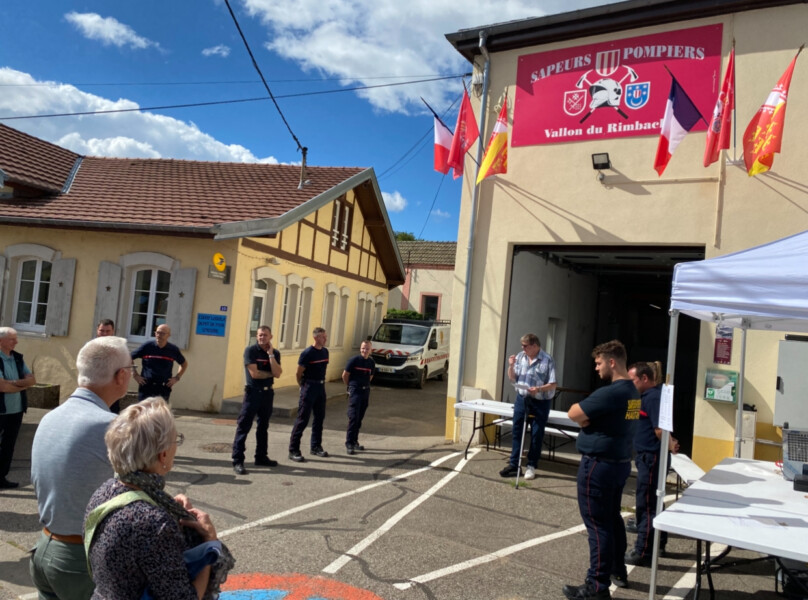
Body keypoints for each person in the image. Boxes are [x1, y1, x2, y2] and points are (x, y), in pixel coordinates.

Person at [84, 397, 233, 599]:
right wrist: (209, 543)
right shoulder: (154, 522)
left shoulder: (103, 492)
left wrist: (168, 507)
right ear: (163, 455)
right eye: (176, 439)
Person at [29, 336, 131, 599]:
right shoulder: (111, 426)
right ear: (121, 375)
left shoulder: (50, 417)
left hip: (46, 547)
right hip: (81, 558)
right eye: (131, 369)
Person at [563, 340, 640, 600]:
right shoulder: (633, 392)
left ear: (612, 362)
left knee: (597, 526)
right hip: (618, 464)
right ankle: (618, 570)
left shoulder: (611, 392)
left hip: (598, 465)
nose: (596, 368)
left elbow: (573, 412)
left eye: (598, 363)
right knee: (612, 520)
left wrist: (587, 421)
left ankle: (596, 585)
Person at [625, 361, 679, 567]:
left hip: (651, 457)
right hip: (646, 456)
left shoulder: (654, 397)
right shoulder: (645, 396)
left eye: (633, 380)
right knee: (654, 502)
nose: (630, 384)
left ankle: (644, 551)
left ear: (645, 378)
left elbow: (660, 429)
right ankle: (659, 542)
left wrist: (670, 444)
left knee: (646, 505)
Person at [500, 333, 557, 481]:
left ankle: (531, 465)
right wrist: (511, 365)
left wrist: (538, 389)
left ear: (534, 346)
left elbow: (553, 384)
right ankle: (514, 464)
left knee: (537, 434)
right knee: (517, 431)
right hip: (522, 399)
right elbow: (512, 378)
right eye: (522, 346)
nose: (522, 348)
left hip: (540, 401)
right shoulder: (520, 357)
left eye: (525, 346)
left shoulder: (547, 359)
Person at [232, 325, 282, 475]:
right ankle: (238, 460)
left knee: (263, 426)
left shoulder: (275, 353)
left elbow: (278, 373)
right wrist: (270, 373)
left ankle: (261, 457)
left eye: (265, 335)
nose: (262, 337)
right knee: (244, 426)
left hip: (268, 394)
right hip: (253, 393)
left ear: (270, 337)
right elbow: (255, 374)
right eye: (260, 335)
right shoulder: (250, 351)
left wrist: (271, 355)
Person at [0, 327, 36, 490]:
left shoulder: (17, 358)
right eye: (12, 339)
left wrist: (13, 383)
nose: (16, 342)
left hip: (16, 410)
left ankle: (2, 477)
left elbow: (32, 380)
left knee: (9, 445)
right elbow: (2, 387)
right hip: (1, 409)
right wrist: (21, 384)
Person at [288, 327, 329, 462]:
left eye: (325, 336)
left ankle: (316, 446)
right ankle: (293, 450)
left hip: (321, 387)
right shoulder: (307, 353)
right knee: (303, 419)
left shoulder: (325, 352)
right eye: (323, 337)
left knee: (319, 418)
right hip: (309, 386)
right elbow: (298, 373)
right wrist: (302, 386)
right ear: (316, 338)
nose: (325, 339)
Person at [132, 323, 188, 402]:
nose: (159, 335)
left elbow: (184, 364)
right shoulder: (147, 346)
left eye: (162, 333)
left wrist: (177, 378)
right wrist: (135, 375)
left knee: (160, 410)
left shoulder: (173, 350)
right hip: (146, 387)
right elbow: (128, 358)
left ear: (168, 335)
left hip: (163, 388)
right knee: (144, 409)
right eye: (157, 332)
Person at [342, 340, 375, 455]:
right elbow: (345, 375)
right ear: (360, 349)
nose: (365, 350)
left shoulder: (371, 362)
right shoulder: (354, 360)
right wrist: (351, 386)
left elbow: (370, 376)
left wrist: (365, 386)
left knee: (359, 417)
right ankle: (349, 443)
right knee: (353, 417)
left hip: (365, 391)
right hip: (355, 391)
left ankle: (355, 441)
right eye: (363, 348)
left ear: (370, 350)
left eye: (367, 348)